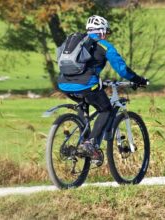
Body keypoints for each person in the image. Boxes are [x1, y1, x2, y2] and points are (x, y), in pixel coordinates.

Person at [57, 15, 148, 159]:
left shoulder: (76, 42)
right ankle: (90, 143)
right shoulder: (104, 45)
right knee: (106, 109)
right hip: (86, 85)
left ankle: (83, 142)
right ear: (102, 31)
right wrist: (138, 80)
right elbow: (122, 69)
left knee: (83, 104)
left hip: (63, 84)